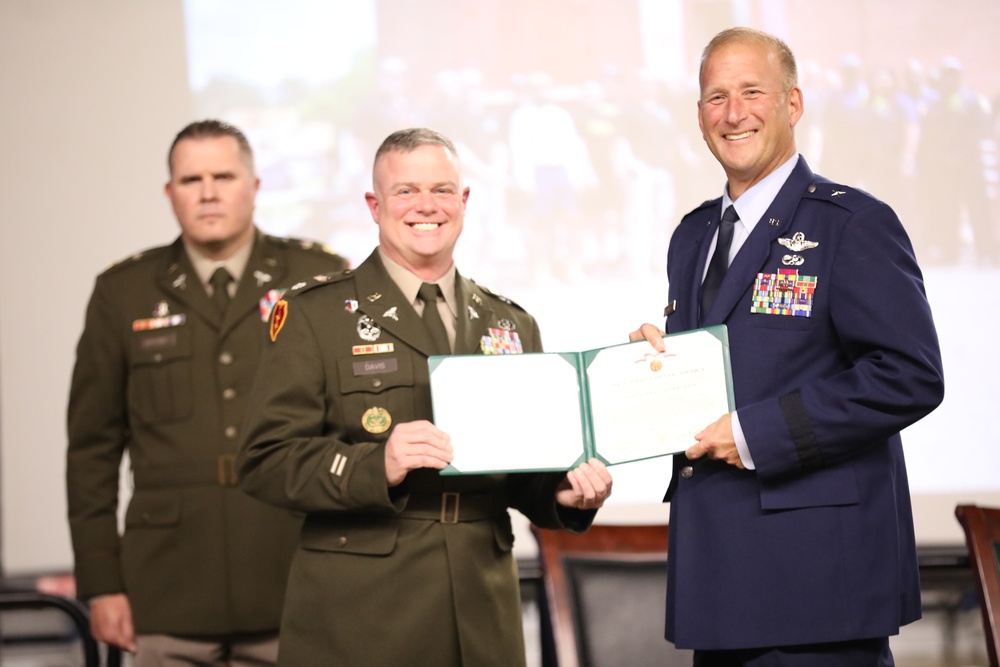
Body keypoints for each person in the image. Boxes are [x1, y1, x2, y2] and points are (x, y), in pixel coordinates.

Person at [236, 127, 613, 666]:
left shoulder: (510, 322)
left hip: (482, 602)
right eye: (406, 191)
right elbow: (264, 460)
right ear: (375, 205)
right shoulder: (314, 316)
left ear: (463, 201)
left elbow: (523, 467)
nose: (426, 206)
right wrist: (377, 463)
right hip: (364, 611)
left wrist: (562, 494)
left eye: (441, 190)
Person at [630, 28, 944, 666]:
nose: (733, 113)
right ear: (698, 116)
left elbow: (908, 375)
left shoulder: (852, 224)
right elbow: (720, 373)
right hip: (717, 586)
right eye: (715, 97)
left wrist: (753, 433)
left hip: (816, 587)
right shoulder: (692, 237)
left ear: (792, 105)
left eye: (752, 92)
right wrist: (653, 368)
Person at [66, 119, 350, 666]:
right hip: (169, 586)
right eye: (191, 179)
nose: (209, 192)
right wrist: (101, 583)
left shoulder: (317, 278)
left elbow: (349, 429)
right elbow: (91, 451)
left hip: (294, 569)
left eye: (224, 175)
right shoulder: (122, 292)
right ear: (170, 193)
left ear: (255, 186)